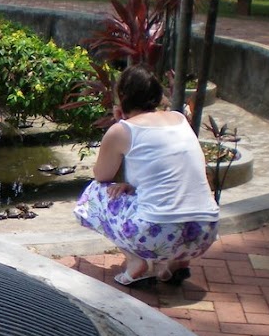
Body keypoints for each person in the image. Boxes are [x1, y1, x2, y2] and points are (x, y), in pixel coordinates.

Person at [73, 64, 219, 287]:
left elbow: (102, 175)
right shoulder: (179, 119)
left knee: (94, 194)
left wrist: (117, 123)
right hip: (204, 233)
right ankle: (178, 264)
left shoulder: (122, 130)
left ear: (122, 98)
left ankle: (135, 262)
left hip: (155, 236)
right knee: (163, 207)